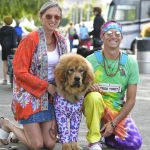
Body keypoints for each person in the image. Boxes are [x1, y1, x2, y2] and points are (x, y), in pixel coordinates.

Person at [0, 0, 67, 149]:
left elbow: (64, 71)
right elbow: (19, 71)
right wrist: (45, 86)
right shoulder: (30, 39)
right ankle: (7, 124)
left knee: (49, 144)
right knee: (36, 145)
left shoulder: (62, 41)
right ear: (41, 17)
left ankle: (28, 131)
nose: (53, 20)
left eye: (57, 17)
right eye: (49, 16)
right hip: (28, 93)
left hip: (50, 97)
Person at [83, 21, 142, 150]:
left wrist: (113, 123)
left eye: (117, 33)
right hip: (95, 106)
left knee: (134, 143)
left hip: (116, 111)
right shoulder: (90, 60)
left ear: (121, 37)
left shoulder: (130, 63)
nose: (113, 36)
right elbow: (77, 89)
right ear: (102, 36)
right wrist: (88, 89)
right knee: (93, 97)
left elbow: (131, 99)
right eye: (109, 33)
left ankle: (107, 135)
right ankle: (94, 140)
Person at [0, 16, 17, 85]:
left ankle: (5, 79)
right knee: (13, 63)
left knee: (5, 63)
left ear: (4, 21)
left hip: (4, 48)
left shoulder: (1, 30)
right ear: (11, 22)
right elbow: (14, 40)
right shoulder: (13, 30)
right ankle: (12, 79)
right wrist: (14, 47)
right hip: (11, 48)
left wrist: (2, 45)